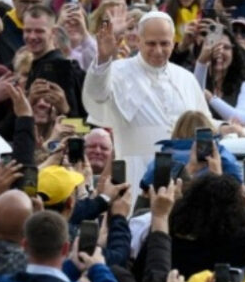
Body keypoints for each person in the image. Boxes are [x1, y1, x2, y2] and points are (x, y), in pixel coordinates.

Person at [83, 11, 212, 189]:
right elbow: (96, 96)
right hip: (135, 174)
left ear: (173, 43)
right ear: (139, 41)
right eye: (151, 43)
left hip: (183, 178)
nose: (158, 51)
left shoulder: (186, 78)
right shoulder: (117, 71)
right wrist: (104, 58)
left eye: (164, 43)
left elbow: (204, 125)